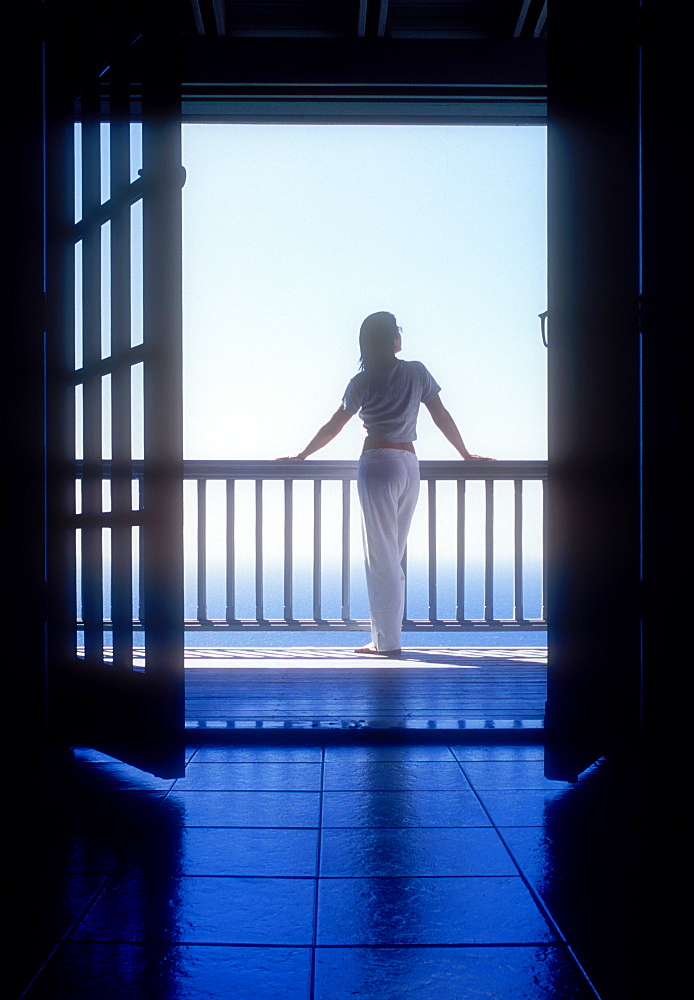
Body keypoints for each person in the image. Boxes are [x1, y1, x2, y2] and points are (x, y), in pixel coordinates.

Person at [278, 311, 491, 657]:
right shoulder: (416, 372)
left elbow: (334, 425)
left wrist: (302, 455)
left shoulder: (362, 382)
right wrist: (465, 454)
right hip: (409, 465)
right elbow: (441, 415)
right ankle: (386, 638)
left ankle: (386, 643)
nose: (400, 335)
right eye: (397, 330)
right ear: (392, 338)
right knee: (394, 555)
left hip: (378, 464)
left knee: (383, 559)